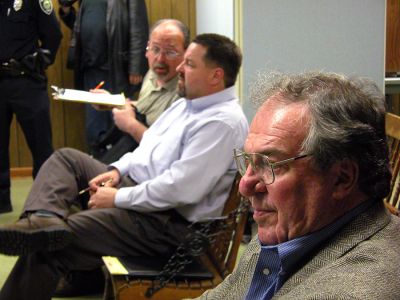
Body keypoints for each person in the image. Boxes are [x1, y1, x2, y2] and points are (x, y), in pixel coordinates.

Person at [0, 33, 249, 300]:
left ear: (216, 76)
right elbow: (147, 149)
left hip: (170, 227)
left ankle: (46, 239)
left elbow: (180, 189)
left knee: (53, 243)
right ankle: (42, 218)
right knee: (67, 160)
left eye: (189, 63)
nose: (179, 68)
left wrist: (118, 197)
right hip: (146, 199)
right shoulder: (189, 104)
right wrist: (117, 171)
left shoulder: (221, 123)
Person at [187, 71, 400, 300]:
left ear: (342, 179)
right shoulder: (292, 233)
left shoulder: (356, 289)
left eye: (270, 164)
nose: (245, 185)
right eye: (249, 160)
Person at [57, 0, 149, 156]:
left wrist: (136, 66)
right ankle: (96, 166)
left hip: (115, 69)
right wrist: (66, 10)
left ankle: (111, 169)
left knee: (113, 128)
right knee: (94, 127)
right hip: (90, 67)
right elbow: (82, 26)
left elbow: (138, 27)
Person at [95, 18, 190, 164]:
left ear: (186, 54)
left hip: (147, 166)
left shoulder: (186, 93)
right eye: (155, 49)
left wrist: (131, 125)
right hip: (126, 152)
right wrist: (112, 102)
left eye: (170, 52)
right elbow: (146, 106)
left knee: (67, 160)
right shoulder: (153, 72)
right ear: (147, 49)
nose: (160, 58)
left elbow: (166, 154)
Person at [0, 0, 62, 214]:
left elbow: (53, 34)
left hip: (27, 81)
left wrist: (40, 62)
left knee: (41, 145)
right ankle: (1, 202)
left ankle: (46, 202)